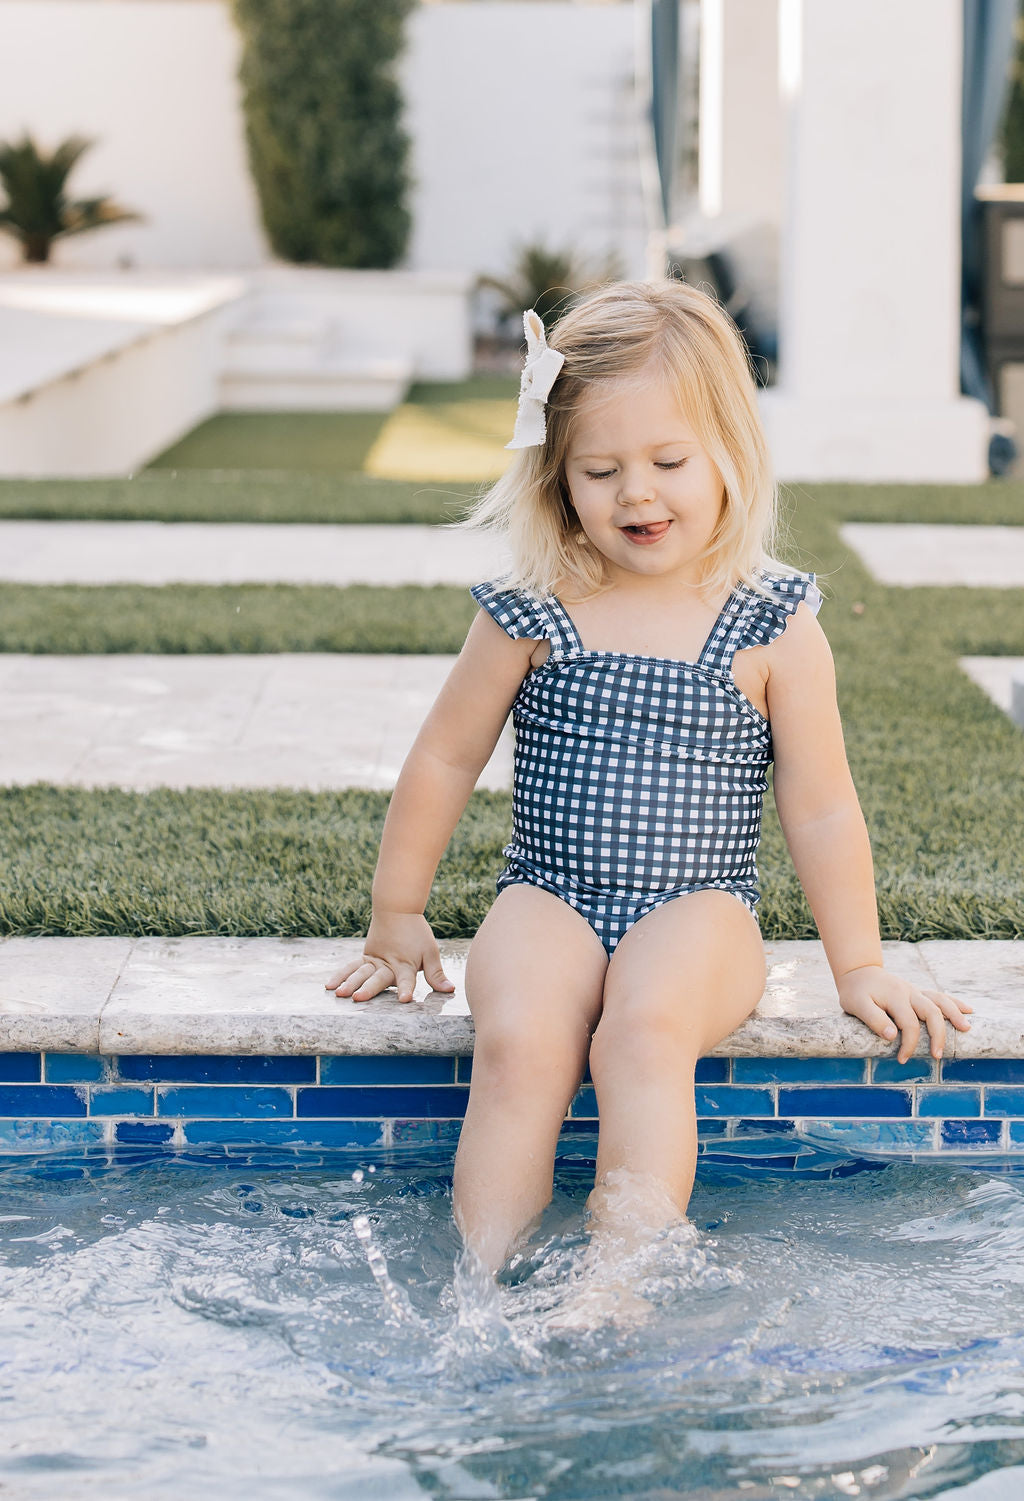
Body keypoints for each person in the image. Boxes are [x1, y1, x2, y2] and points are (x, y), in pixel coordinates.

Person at [326, 279, 972, 1287]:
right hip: (548, 890)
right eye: (600, 468)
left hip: (699, 908)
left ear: (729, 453)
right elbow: (444, 756)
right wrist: (396, 911)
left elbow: (820, 803)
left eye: (669, 461)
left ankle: (615, 1281)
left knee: (642, 1033)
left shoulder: (770, 621)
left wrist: (860, 968)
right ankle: (479, 1284)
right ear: (556, 475)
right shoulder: (532, 607)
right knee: (520, 1045)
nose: (636, 493)